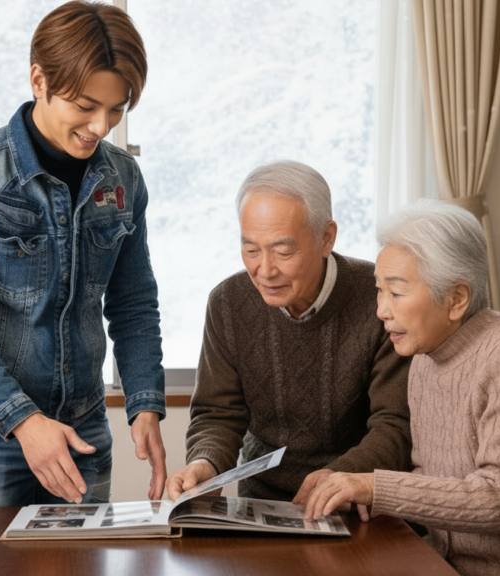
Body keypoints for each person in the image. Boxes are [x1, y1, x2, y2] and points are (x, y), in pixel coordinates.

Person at [0, 1, 167, 509]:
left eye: (117, 108)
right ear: (39, 81)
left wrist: (145, 405)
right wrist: (25, 422)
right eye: (84, 105)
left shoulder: (123, 180)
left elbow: (133, 303)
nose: (101, 125)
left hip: (84, 428)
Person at [302, 199, 500, 576]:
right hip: (444, 563)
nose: (381, 309)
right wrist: (366, 498)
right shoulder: (425, 358)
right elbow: (435, 477)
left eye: (396, 293)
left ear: (457, 299)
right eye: (379, 291)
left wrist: (375, 487)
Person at [165, 160, 412, 503]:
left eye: (283, 251)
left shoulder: (379, 299)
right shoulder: (227, 302)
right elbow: (218, 412)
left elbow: (395, 422)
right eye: (250, 250)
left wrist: (343, 477)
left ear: (326, 238)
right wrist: (205, 464)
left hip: (354, 498)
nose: (264, 270)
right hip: (260, 500)